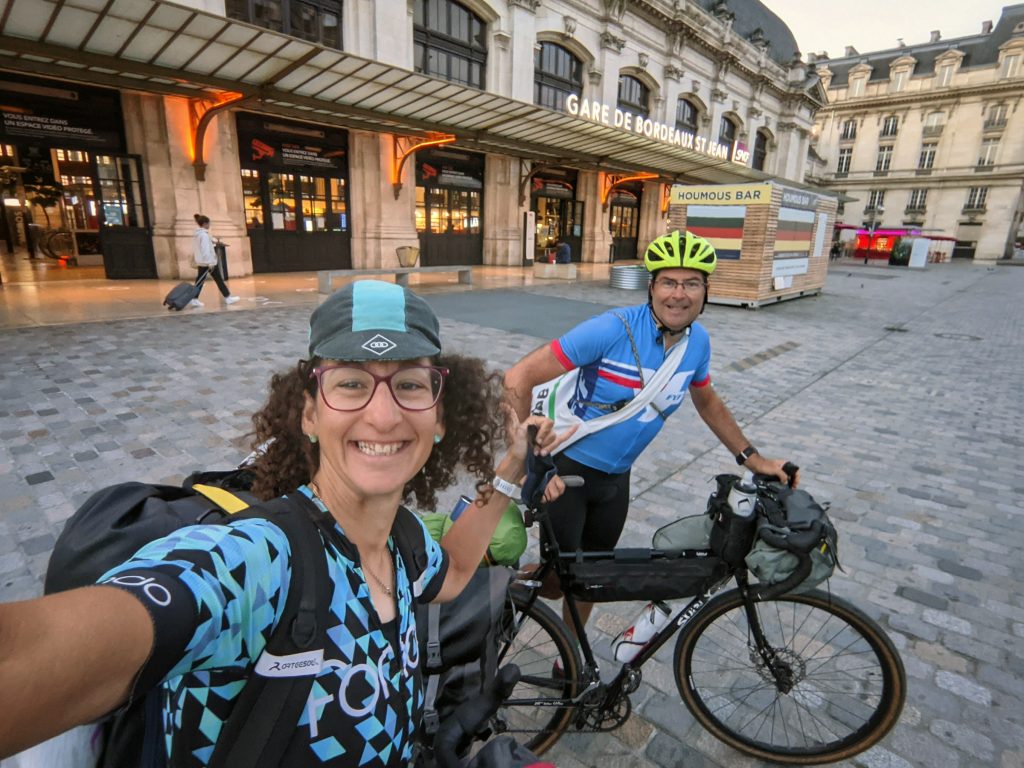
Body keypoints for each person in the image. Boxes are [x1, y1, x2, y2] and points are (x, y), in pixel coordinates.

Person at [0, 280, 568, 766]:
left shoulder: (405, 540)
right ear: (309, 413)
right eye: (350, 381)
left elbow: (458, 569)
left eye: (409, 384)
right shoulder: (255, 561)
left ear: (439, 417)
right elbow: (43, 652)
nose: (384, 412)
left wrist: (513, 465)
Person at [504, 229, 798, 636]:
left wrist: (753, 457)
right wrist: (526, 463)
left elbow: (707, 400)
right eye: (669, 282)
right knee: (557, 582)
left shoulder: (697, 343)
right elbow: (519, 378)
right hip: (566, 476)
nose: (679, 294)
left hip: (615, 483)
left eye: (691, 283)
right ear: (652, 288)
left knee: (593, 578)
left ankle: (570, 662)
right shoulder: (611, 330)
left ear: (705, 290)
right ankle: (496, 592)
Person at [191, 213, 239, 307]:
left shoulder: (198, 234)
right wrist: (209, 262)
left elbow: (205, 245)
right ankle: (227, 297)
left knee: (202, 280)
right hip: (208, 263)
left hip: (203, 262)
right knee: (215, 279)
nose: (209, 225)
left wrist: (213, 242)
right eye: (208, 224)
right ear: (205, 224)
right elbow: (205, 250)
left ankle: (195, 298)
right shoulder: (204, 235)